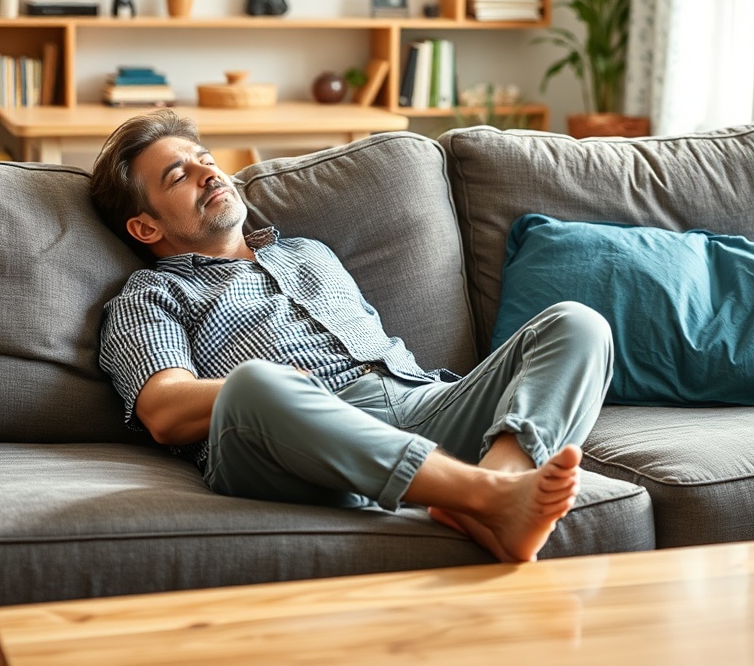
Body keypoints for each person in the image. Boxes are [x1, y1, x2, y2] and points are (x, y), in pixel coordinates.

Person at [89, 109, 614, 563]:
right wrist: (276, 384)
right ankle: (484, 493)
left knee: (576, 323)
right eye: (179, 175)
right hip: (286, 438)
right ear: (145, 228)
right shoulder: (150, 293)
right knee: (253, 385)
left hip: (419, 402)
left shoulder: (310, 253)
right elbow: (163, 409)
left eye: (205, 158)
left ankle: (493, 495)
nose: (208, 173)